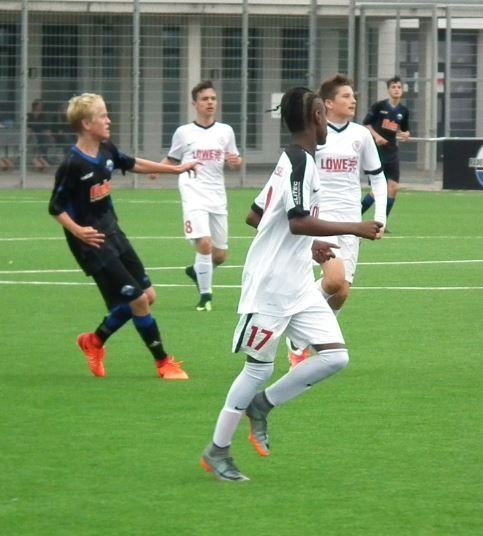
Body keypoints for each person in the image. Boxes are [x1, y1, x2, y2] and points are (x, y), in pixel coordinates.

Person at [199, 86, 383, 482]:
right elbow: (297, 220)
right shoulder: (298, 162)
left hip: (298, 282)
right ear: (317, 117)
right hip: (270, 287)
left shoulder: (295, 161)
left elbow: (257, 215)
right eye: (323, 113)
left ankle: (262, 406)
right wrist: (354, 227)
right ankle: (218, 449)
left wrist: (310, 244)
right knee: (257, 370)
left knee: (335, 357)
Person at [48, 92, 200, 380]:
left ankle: (94, 341)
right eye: (103, 116)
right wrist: (78, 231)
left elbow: (132, 163)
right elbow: (55, 207)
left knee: (148, 296)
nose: (109, 120)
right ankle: (163, 363)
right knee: (139, 300)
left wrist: (175, 169)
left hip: (113, 232)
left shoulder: (106, 148)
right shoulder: (72, 164)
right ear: (86, 124)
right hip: (91, 243)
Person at [286, 74, 387, 368]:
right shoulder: (315, 136)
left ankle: (306, 340)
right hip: (321, 220)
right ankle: (297, 329)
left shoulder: (361, 135)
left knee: (341, 291)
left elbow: (378, 179)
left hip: (352, 222)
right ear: (328, 103)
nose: (353, 100)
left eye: (353, 96)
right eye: (346, 96)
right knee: (333, 279)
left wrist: (379, 217)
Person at [162, 80, 242, 312]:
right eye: (205, 99)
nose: (210, 103)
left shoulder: (225, 131)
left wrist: (236, 161)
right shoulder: (184, 132)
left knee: (220, 255)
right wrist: (154, 170)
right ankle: (205, 297)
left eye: (213, 99)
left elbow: (235, 160)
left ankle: (197, 271)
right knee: (204, 243)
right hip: (193, 192)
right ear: (194, 104)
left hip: (217, 195)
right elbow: (172, 159)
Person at [361, 75, 410, 228]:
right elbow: (366, 124)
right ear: (388, 90)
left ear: (402, 90)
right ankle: (356, 215)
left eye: (399, 87)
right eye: (393, 87)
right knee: (377, 190)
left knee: (393, 188)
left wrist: (405, 134)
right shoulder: (379, 106)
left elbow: (405, 130)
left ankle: (382, 223)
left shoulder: (403, 111)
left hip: (392, 152)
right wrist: (377, 137)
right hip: (377, 152)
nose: (396, 89)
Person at [27, 98, 53, 170]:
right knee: (38, 137)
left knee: (45, 138)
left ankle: (41, 157)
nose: (40, 107)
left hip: (42, 133)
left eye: (41, 105)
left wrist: (47, 131)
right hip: (33, 133)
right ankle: (39, 158)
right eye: (39, 105)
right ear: (35, 106)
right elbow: (29, 125)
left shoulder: (43, 115)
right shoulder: (30, 115)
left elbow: (46, 125)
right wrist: (35, 118)